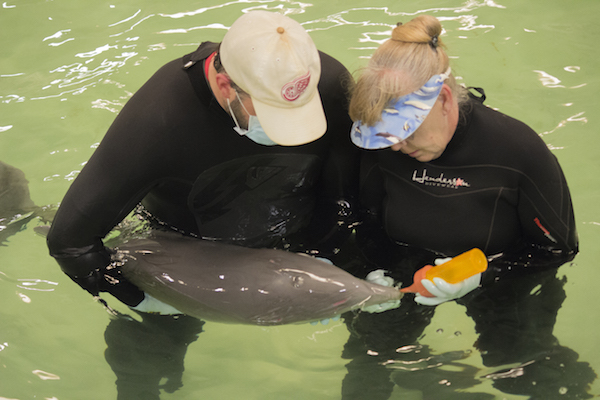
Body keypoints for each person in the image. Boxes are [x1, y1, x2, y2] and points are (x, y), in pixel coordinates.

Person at [46, 11, 358, 399]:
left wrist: (329, 250)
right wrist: (142, 298)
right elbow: (70, 242)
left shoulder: (323, 84)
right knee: (150, 353)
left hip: (296, 239)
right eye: (274, 116)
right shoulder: (160, 120)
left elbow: (345, 185)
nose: (287, 133)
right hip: (181, 250)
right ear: (226, 86)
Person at [339, 15, 595, 399]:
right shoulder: (387, 149)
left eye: (405, 131)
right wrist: (368, 269)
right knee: (370, 354)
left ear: (443, 100)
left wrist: (483, 273)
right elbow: (367, 220)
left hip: (503, 276)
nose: (394, 148)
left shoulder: (518, 151)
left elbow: (557, 249)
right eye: (384, 137)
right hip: (405, 266)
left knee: (519, 368)